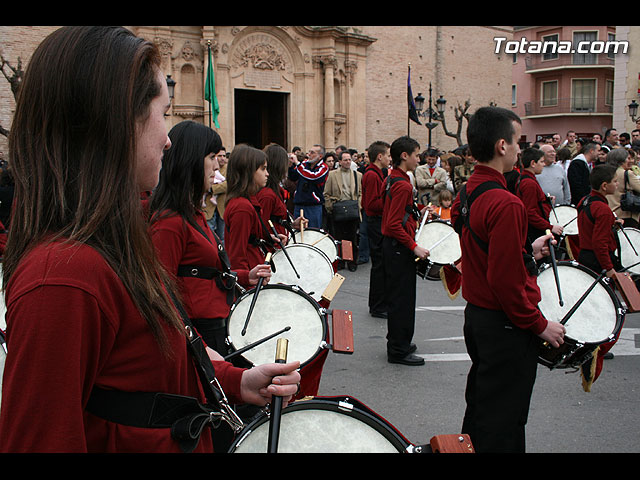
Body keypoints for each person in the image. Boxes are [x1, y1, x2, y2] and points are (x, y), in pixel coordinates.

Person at [0, 26, 300, 453]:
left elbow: (153, 364)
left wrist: (237, 380)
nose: (168, 137)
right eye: (164, 112)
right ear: (115, 120)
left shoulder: (112, 244)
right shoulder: (64, 278)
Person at [450, 106, 565, 453]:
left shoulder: (467, 193)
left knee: (483, 409)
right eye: (517, 142)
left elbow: (483, 253)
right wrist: (539, 324)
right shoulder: (506, 203)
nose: (520, 149)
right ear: (502, 145)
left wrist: (527, 250)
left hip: (479, 319)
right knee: (506, 422)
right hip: (505, 326)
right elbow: (504, 282)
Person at [148, 121, 272, 356]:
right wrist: (197, 347)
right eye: (212, 156)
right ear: (192, 160)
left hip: (215, 326)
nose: (218, 165)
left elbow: (207, 271)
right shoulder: (170, 223)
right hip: (199, 333)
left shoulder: (193, 215)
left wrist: (246, 276)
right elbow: (161, 297)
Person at [382, 136, 429, 366]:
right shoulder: (401, 184)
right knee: (402, 300)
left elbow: (397, 211)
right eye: (416, 155)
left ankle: (398, 341)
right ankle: (398, 350)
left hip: (393, 248)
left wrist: (418, 209)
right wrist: (414, 246)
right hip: (399, 248)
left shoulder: (393, 179)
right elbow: (392, 224)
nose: (418, 159)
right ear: (404, 156)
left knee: (399, 298)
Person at [224, 144, 284, 273]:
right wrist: (245, 280)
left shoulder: (247, 201)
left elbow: (251, 234)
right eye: (263, 169)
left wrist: (268, 237)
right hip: (251, 272)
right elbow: (237, 254)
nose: (267, 174)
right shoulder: (242, 207)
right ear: (249, 171)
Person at [362, 140, 391, 318]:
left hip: (375, 222)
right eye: (387, 155)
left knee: (380, 265)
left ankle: (379, 303)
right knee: (379, 266)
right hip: (375, 223)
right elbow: (372, 205)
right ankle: (378, 305)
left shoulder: (375, 173)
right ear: (379, 157)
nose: (389, 159)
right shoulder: (372, 175)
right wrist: (391, 200)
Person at [577, 164, 622, 278]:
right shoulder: (602, 209)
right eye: (615, 181)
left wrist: (611, 225)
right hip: (597, 260)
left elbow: (589, 225)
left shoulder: (584, 200)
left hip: (584, 255)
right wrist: (608, 268)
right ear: (604, 186)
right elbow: (599, 243)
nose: (617, 184)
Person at [256, 143, 307, 243]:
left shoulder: (276, 190)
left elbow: (275, 220)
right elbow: (261, 229)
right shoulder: (267, 195)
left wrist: (292, 225)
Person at [323, 150, 363, 271]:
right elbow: (326, 193)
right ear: (339, 161)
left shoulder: (358, 175)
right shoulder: (332, 175)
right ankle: (340, 261)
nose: (348, 162)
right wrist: (330, 207)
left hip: (352, 209)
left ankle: (351, 262)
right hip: (338, 209)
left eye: (349, 160)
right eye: (345, 160)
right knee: (339, 238)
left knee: (352, 237)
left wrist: (359, 206)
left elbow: (361, 193)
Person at [516, 147, 563, 246]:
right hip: (535, 232)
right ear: (533, 163)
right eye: (541, 162)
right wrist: (550, 227)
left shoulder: (527, 179)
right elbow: (530, 213)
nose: (544, 164)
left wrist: (545, 200)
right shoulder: (529, 183)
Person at [288, 144, 330, 229]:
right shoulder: (304, 164)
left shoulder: (323, 168)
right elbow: (293, 176)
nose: (309, 154)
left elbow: (313, 177)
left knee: (312, 233)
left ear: (320, 156)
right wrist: (291, 165)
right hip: (299, 205)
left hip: (313, 206)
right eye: (309, 152)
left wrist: (298, 164)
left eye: (312, 152)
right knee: (297, 233)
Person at [606, 147, 640, 228]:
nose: (629, 161)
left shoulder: (606, 173)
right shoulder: (627, 174)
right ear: (622, 160)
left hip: (611, 213)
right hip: (626, 214)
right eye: (627, 158)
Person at [203, 146, 228, 242]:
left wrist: (211, 188)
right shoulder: (209, 168)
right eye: (219, 156)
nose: (222, 158)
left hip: (222, 208)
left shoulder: (228, 169)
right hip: (208, 208)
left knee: (222, 237)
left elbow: (228, 185)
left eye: (224, 156)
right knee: (209, 236)